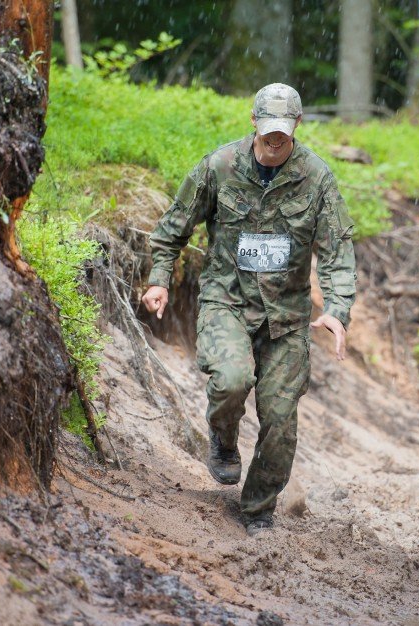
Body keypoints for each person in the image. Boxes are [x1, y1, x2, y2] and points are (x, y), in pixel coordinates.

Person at [141, 83, 357, 537]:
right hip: (228, 301)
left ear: (297, 126)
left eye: (284, 132)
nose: (275, 141)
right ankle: (222, 439)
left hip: (286, 316)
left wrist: (337, 309)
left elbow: (337, 251)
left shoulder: (317, 178)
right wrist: (159, 279)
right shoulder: (219, 167)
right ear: (254, 122)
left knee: (280, 420)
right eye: (268, 131)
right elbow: (171, 230)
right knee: (232, 380)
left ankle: (258, 510)